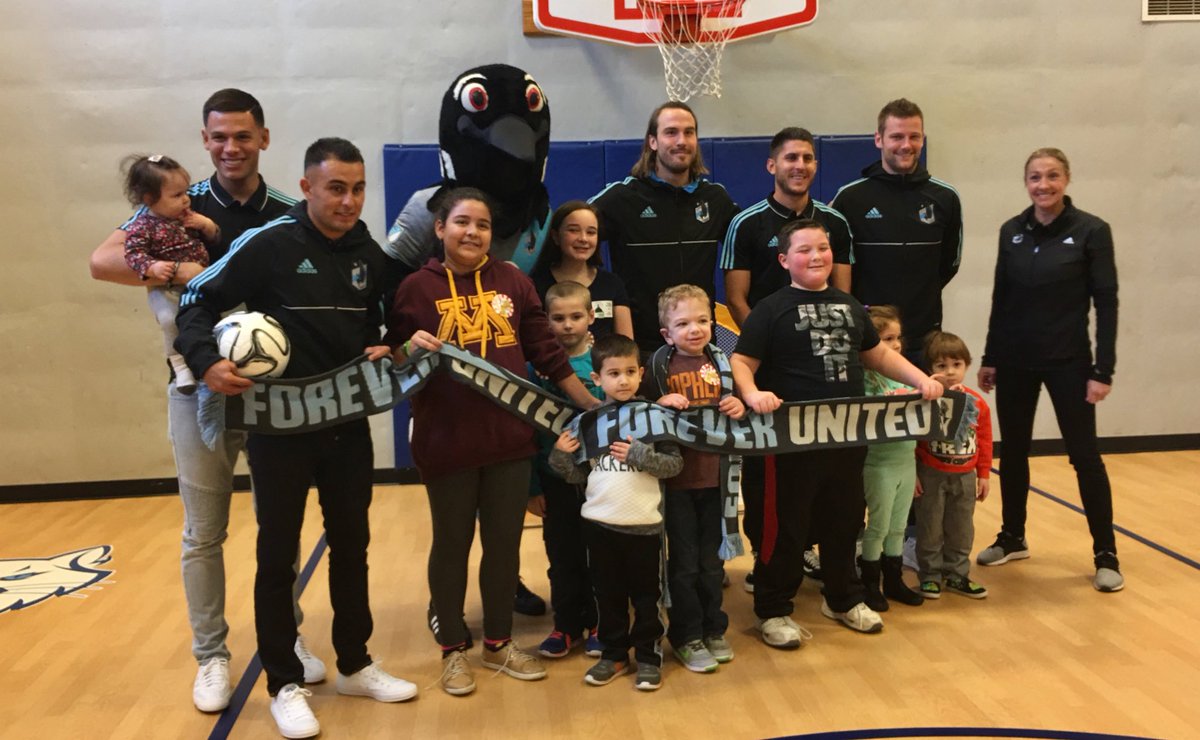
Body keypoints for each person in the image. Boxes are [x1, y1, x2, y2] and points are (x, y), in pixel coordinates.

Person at [87, 89, 321, 714]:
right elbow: (102, 260)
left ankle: (288, 639)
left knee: (280, 527)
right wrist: (173, 273)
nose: (230, 147)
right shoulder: (174, 205)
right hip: (195, 389)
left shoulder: (285, 210)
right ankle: (211, 655)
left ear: (263, 139)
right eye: (218, 137)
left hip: (272, 393)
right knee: (203, 533)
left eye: (242, 136)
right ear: (205, 140)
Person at [175, 138, 416, 739]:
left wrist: (391, 339)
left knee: (353, 544)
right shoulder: (270, 242)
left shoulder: (369, 252)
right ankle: (283, 682)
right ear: (307, 187)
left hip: (346, 425)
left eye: (358, 189)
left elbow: (400, 315)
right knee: (277, 554)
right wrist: (207, 363)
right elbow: (195, 301)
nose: (349, 200)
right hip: (279, 428)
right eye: (336, 188)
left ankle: (355, 663)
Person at [385, 188, 600, 697]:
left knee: (503, 546)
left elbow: (547, 354)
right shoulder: (415, 288)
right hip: (446, 442)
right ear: (439, 229)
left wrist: (588, 405)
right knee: (452, 544)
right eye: (461, 222)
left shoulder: (513, 280)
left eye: (482, 224)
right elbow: (391, 361)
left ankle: (499, 643)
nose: (472, 232)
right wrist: (404, 348)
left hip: (509, 440)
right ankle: (453, 649)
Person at [731, 219, 943, 645]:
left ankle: (843, 597)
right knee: (786, 528)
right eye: (805, 249)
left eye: (823, 248)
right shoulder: (770, 309)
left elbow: (877, 354)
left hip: (845, 439)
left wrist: (921, 379)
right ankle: (773, 609)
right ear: (784, 259)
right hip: (788, 443)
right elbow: (741, 362)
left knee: (844, 521)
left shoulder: (849, 305)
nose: (816, 256)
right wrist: (752, 393)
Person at [976, 147, 1122, 593]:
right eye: (1036, 177)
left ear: (1067, 179)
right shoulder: (1011, 231)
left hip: (1070, 362)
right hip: (1017, 360)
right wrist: (990, 357)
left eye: (1053, 176)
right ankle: (1013, 536)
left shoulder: (1092, 231)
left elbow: (1107, 303)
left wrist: (1103, 370)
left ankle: (1105, 552)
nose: (1044, 185)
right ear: (1027, 183)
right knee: (1014, 451)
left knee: (1084, 456)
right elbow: (1002, 299)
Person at [720, 126, 854, 588]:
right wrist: (771, 346)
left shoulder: (835, 222)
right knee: (770, 472)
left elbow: (843, 296)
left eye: (808, 158)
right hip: (768, 367)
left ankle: (809, 552)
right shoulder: (747, 222)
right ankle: (767, 556)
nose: (800, 166)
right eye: (791, 157)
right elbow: (737, 298)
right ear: (772, 165)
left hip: (823, 366)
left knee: (824, 468)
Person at [549, 334, 684, 691]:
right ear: (597, 379)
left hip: (644, 526)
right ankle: (614, 654)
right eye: (613, 373)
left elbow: (673, 465)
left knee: (646, 599)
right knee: (607, 597)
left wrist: (640, 455)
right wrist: (560, 456)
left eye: (629, 372)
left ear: (641, 374)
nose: (622, 380)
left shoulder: (655, 417)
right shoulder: (587, 423)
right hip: (599, 525)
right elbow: (578, 475)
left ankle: (650, 657)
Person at [645, 284, 745, 673]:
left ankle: (713, 628)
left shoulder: (724, 363)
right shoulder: (658, 366)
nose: (695, 329)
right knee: (683, 565)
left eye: (703, 320)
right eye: (683, 323)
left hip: (717, 481)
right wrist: (659, 403)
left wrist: (738, 403)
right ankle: (686, 635)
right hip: (676, 484)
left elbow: (742, 409)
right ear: (667, 333)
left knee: (712, 564)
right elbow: (637, 412)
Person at [589, 101, 739, 354]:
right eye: (671, 132)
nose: (681, 140)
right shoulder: (623, 197)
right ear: (653, 142)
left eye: (689, 132)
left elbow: (752, 247)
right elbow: (572, 229)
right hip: (640, 348)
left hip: (698, 346)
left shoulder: (715, 199)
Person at [829, 98, 963, 364]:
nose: (906, 145)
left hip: (924, 336)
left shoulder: (945, 197)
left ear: (922, 139)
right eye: (896, 136)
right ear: (879, 139)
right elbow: (835, 267)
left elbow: (949, 264)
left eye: (914, 136)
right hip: (869, 336)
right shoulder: (851, 197)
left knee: (923, 405)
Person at [531, 280, 605, 659]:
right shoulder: (535, 368)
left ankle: (598, 623)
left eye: (576, 316)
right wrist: (532, 486)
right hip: (554, 477)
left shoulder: (604, 364)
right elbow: (525, 430)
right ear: (546, 321)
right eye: (558, 318)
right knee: (561, 555)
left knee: (597, 552)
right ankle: (565, 626)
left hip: (600, 479)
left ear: (592, 317)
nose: (568, 325)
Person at [119, 154, 220, 394]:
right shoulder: (142, 226)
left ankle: (211, 359)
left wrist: (207, 226)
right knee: (168, 319)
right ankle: (179, 364)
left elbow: (216, 239)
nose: (186, 200)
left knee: (212, 317)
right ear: (149, 199)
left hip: (197, 285)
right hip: (165, 288)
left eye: (186, 192)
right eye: (177, 196)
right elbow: (133, 255)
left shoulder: (187, 217)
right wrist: (152, 267)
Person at [914, 332, 992, 600]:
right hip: (931, 475)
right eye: (941, 366)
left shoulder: (977, 402)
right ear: (930, 370)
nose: (950, 372)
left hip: (965, 477)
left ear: (967, 366)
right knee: (930, 528)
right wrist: (913, 473)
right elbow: (913, 440)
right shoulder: (925, 401)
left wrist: (984, 475)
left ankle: (958, 575)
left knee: (961, 529)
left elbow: (984, 439)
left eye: (956, 365)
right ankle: (930, 576)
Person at [859, 305, 924, 611]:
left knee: (898, 526)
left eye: (897, 337)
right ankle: (870, 582)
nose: (895, 345)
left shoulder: (903, 379)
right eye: (886, 339)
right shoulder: (865, 381)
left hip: (905, 461)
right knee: (879, 526)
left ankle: (894, 579)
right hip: (879, 464)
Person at [529, 200, 634, 341]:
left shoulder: (611, 284)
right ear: (555, 236)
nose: (583, 239)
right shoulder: (535, 285)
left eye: (591, 232)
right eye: (573, 230)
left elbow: (626, 346)